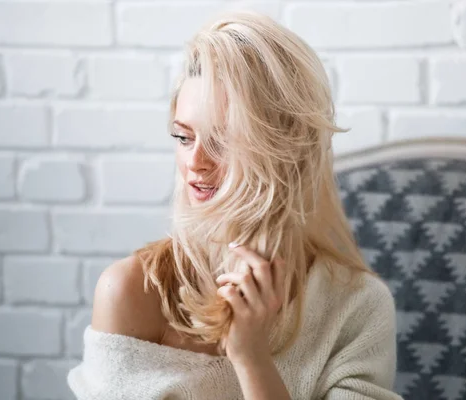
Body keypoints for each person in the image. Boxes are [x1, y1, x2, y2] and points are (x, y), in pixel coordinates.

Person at [67, 10, 403, 400]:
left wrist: (251, 358)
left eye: (222, 139)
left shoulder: (356, 307)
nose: (196, 162)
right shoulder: (130, 291)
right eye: (183, 137)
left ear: (287, 148)